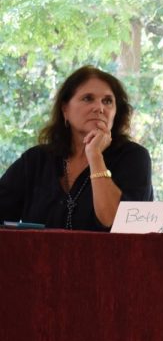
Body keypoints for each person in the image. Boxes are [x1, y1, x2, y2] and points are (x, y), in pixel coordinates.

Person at [0, 65, 153, 230]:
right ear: (65, 109)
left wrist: (95, 156)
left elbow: (112, 220)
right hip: (39, 256)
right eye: (88, 98)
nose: (99, 108)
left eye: (107, 101)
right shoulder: (36, 159)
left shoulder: (134, 157)